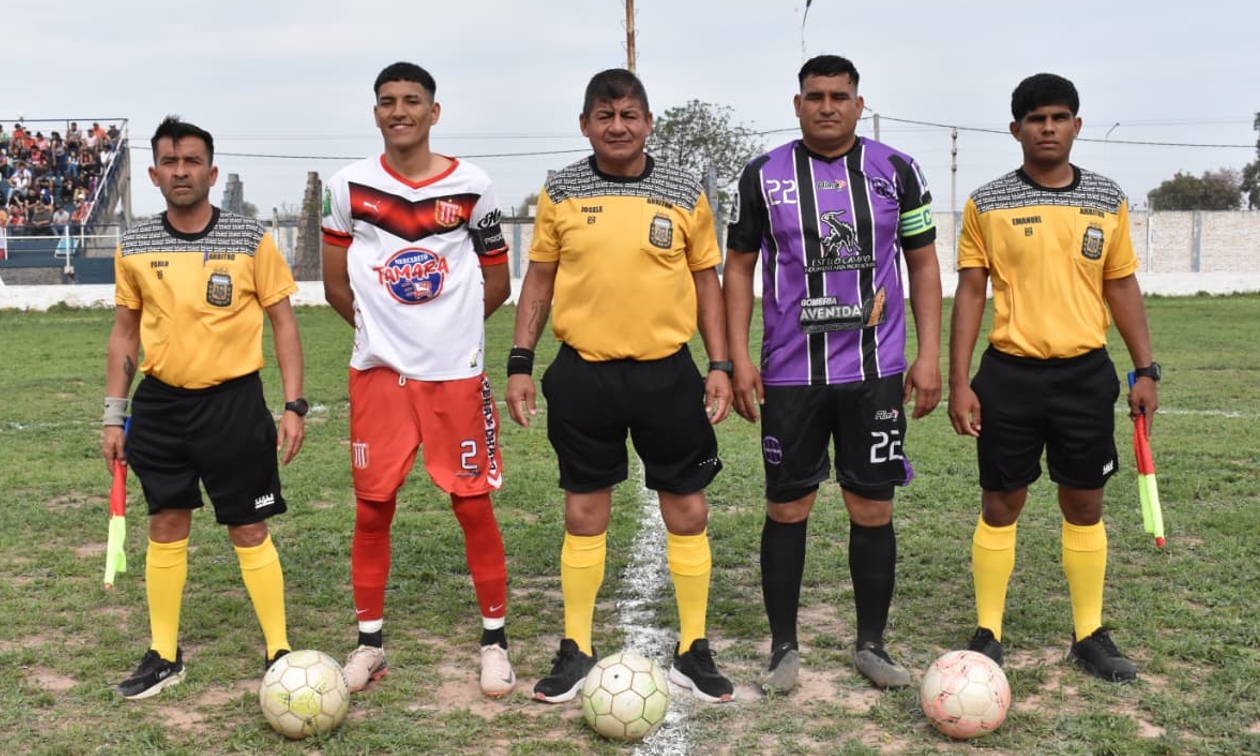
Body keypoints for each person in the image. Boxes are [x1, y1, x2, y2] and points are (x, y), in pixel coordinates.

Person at [506, 67, 735, 705]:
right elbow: (540, 278)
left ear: (648, 123)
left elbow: (707, 281)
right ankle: (576, 647)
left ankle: (694, 648)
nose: (617, 126)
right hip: (584, 373)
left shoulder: (684, 190)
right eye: (604, 116)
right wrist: (520, 361)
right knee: (583, 511)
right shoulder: (561, 190)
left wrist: (719, 363)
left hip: (668, 373)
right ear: (585, 124)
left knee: (688, 509)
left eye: (629, 114)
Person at [724, 54, 942, 693]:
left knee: (872, 508)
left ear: (859, 104)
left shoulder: (897, 171)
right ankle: (783, 647)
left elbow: (924, 263)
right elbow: (738, 266)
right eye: (815, 96)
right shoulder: (763, 175)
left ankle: (872, 643)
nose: (827, 106)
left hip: (876, 372)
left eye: (839, 96)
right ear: (797, 105)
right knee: (787, 506)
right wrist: (739, 356)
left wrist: (928, 354)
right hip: (791, 374)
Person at [947, 73, 1158, 682]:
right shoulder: (987, 202)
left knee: (1085, 501)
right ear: (1016, 129)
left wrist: (1145, 369)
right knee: (1002, 500)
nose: (1048, 128)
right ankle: (988, 631)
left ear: (1076, 126)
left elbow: (1121, 283)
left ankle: (1089, 633)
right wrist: (959, 380)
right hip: (1009, 375)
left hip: (1084, 376)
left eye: (1059, 117)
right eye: (1036, 118)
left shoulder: (1106, 198)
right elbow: (971, 291)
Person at [320, 61, 516, 698]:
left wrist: (449, 335)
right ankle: (369, 645)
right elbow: (334, 284)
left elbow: (496, 282)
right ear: (375, 112)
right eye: (387, 101)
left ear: (434, 112)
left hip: (454, 377)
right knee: (372, 507)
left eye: (411, 100)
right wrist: (384, 337)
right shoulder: (346, 187)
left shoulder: (474, 186)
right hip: (378, 376)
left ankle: (494, 643)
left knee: (472, 503)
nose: (398, 111)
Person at [103, 115, 307, 700]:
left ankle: (279, 652)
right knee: (166, 522)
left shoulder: (249, 239)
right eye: (170, 162)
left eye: (192, 161)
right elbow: (124, 333)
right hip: (161, 405)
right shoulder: (135, 244)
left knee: (248, 525)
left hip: (233, 403)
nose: (181, 171)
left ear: (211, 172)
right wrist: (114, 414)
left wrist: (293, 404)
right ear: (153, 174)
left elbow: (284, 323)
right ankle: (164, 655)